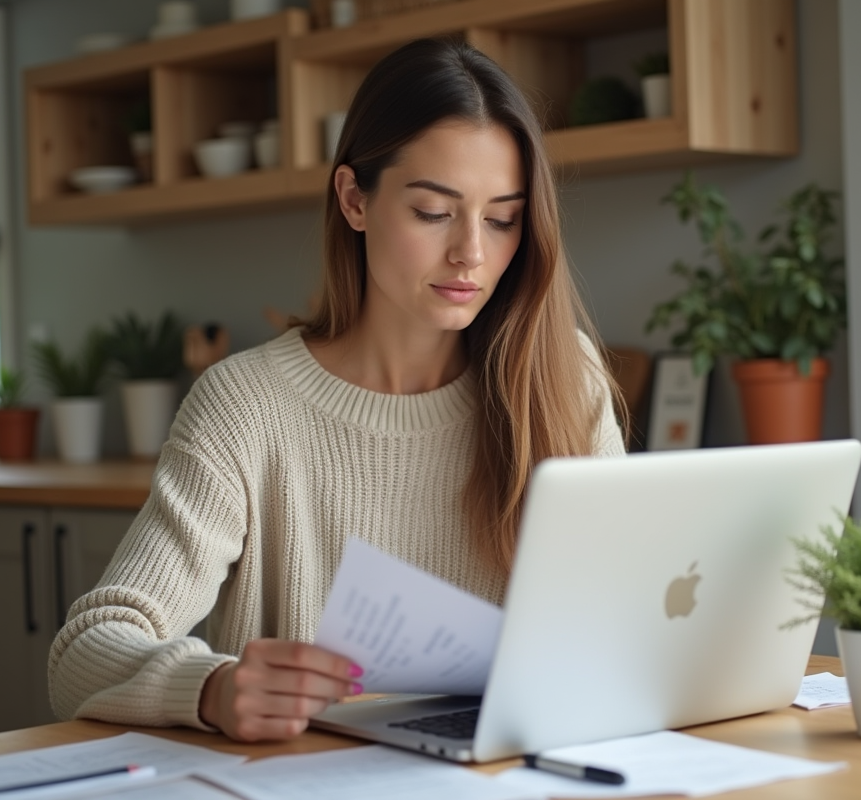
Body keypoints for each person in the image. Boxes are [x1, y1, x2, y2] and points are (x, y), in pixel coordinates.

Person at [47, 37, 626, 743]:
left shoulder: (564, 376)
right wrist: (212, 688)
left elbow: (623, 625)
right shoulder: (246, 406)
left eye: (503, 218)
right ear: (355, 199)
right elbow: (85, 650)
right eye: (434, 212)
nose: (472, 252)